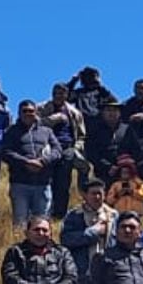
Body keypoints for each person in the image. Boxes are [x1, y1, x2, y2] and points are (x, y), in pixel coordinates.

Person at [60, 180, 115, 284]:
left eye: (100, 193)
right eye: (93, 193)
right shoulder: (74, 215)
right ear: (84, 195)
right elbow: (66, 240)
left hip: (107, 278)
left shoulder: (113, 215)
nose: (98, 197)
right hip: (82, 276)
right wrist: (93, 232)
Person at [0, 100, 61, 226]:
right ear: (19, 113)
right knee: (20, 222)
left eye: (31, 111)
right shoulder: (11, 131)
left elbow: (57, 150)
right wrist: (26, 162)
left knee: (42, 222)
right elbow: (5, 152)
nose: (28, 114)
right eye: (25, 111)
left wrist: (43, 161)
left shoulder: (47, 131)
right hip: (20, 184)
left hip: (43, 183)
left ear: (36, 112)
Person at [40, 83, 86, 218]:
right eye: (56, 92)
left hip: (67, 149)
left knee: (63, 183)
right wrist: (53, 119)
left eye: (62, 93)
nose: (58, 95)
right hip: (47, 148)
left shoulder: (74, 112)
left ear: (67, 95)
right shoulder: (42, 107)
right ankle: (44, 214)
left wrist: (76, 148)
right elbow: (34, 124)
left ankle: (59, 215)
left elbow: (82, 135)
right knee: (46, 182)